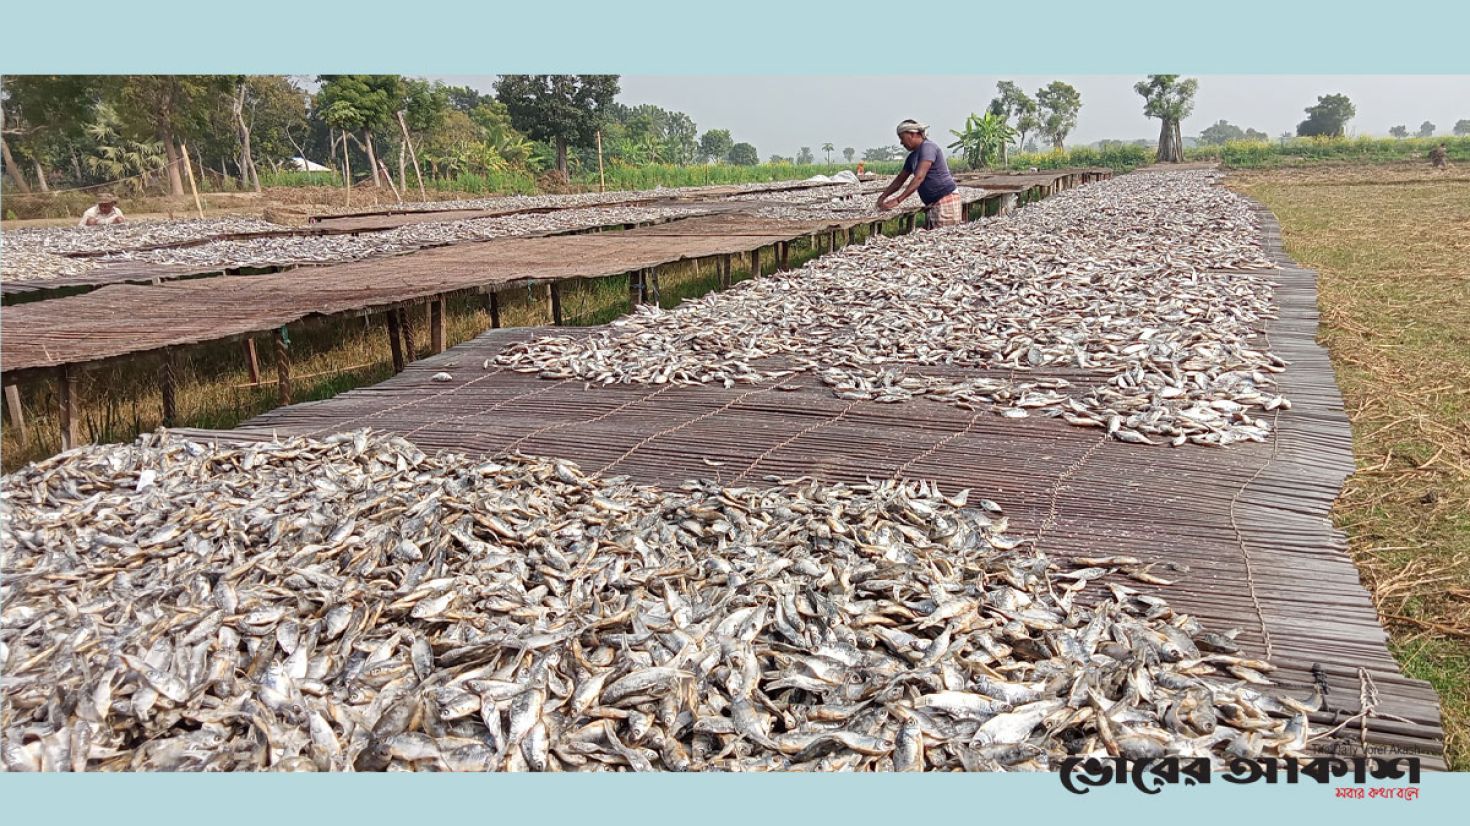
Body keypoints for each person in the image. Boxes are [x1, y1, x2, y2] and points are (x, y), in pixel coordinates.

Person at [877, 119, 960, 229]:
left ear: (913, 134)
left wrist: (898, 200)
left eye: (902, 138)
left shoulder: (928, 147)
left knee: (945, 237)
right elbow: (900, 179)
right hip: (932, 204)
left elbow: (919, 177)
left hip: (945, 199)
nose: (901, 143)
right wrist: (883, 197)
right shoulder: (912, 157)